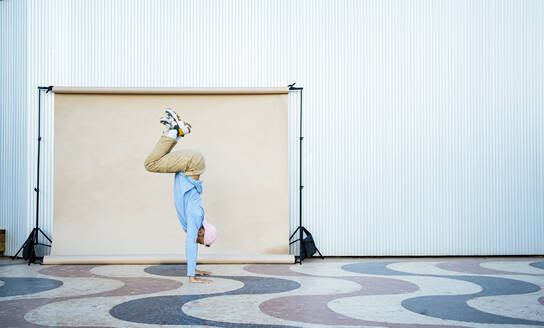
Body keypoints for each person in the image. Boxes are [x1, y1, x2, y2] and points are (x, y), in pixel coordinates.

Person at [144, 108, 217, 284]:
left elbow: (191, 244)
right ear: (202, 232)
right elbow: (190, 245)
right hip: (191, 164)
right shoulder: (196, 216)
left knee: (160, 159)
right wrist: (191, 276)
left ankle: (176, 132)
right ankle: (176, 130)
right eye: (201, 240)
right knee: (151, 164)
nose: (198, 242)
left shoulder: (193, 219)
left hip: (191, 164)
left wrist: (195, 268)